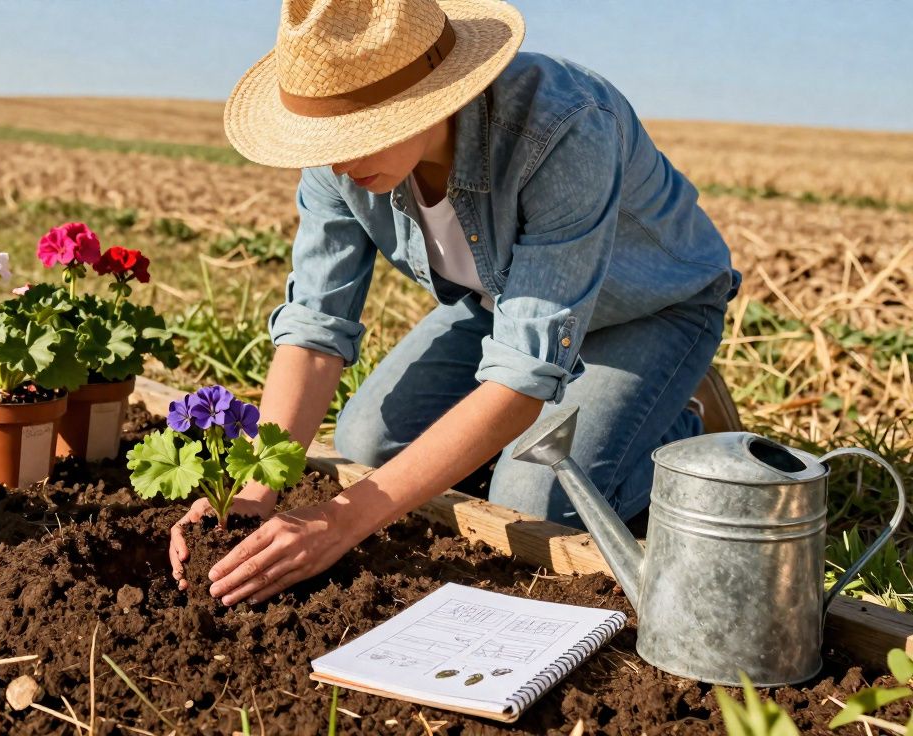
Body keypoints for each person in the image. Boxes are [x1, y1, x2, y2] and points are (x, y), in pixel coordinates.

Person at [171, 0, 741, 607]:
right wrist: (256, 485)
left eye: (356, 134)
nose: (337, 159)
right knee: (366, 443)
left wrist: (341, 522)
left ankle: (678, 427)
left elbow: (520, 378)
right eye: (325, 139)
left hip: (648, 313)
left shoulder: (565, 127)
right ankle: (552, 432)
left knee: (528, 500)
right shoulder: (338, 165)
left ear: (430, 97)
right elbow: (315, 329)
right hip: (503, 303)